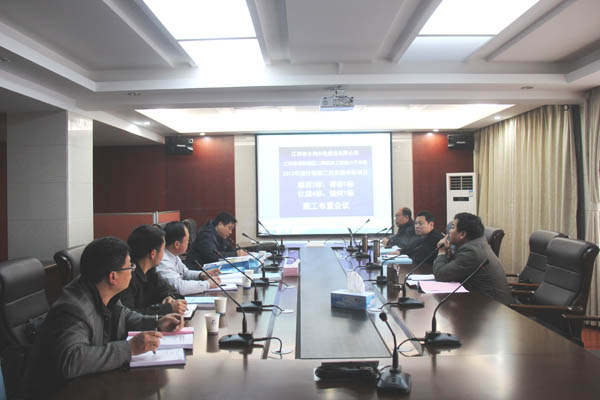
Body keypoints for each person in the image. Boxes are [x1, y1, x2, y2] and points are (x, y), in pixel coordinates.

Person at [26, 237, 184, 396]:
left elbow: (124, 316)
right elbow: (72, 360)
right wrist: (129, 349)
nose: (132, 270)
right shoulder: (72, 309)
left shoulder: (103, 291)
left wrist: (156, 322)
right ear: (113, 277)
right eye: (130, 266)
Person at [433, 212, 512, 305]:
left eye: (453, 227)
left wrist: (442, 252)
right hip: (481, 300)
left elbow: (441, 274)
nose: (449, 231)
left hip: (493, 306)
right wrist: (448, 253)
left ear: (462, 234)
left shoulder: (471, 252)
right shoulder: (476, 244)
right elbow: (453, 269)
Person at [120, 224, 186, 315]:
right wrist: (166, 309)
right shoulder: (127, 277)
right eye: (163, 249)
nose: (164, 254)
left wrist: (168, 297)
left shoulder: (151, 272)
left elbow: (171, 291)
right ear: (153, 254)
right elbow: (128, 315)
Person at [157, 221, 221, 295]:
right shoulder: (162, 261)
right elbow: (179, 287)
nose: (188, 243)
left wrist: (201, 275)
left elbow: (185, 273)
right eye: (187, 240)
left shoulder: (173, 255)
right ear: (177, 244)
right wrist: (207, 284)